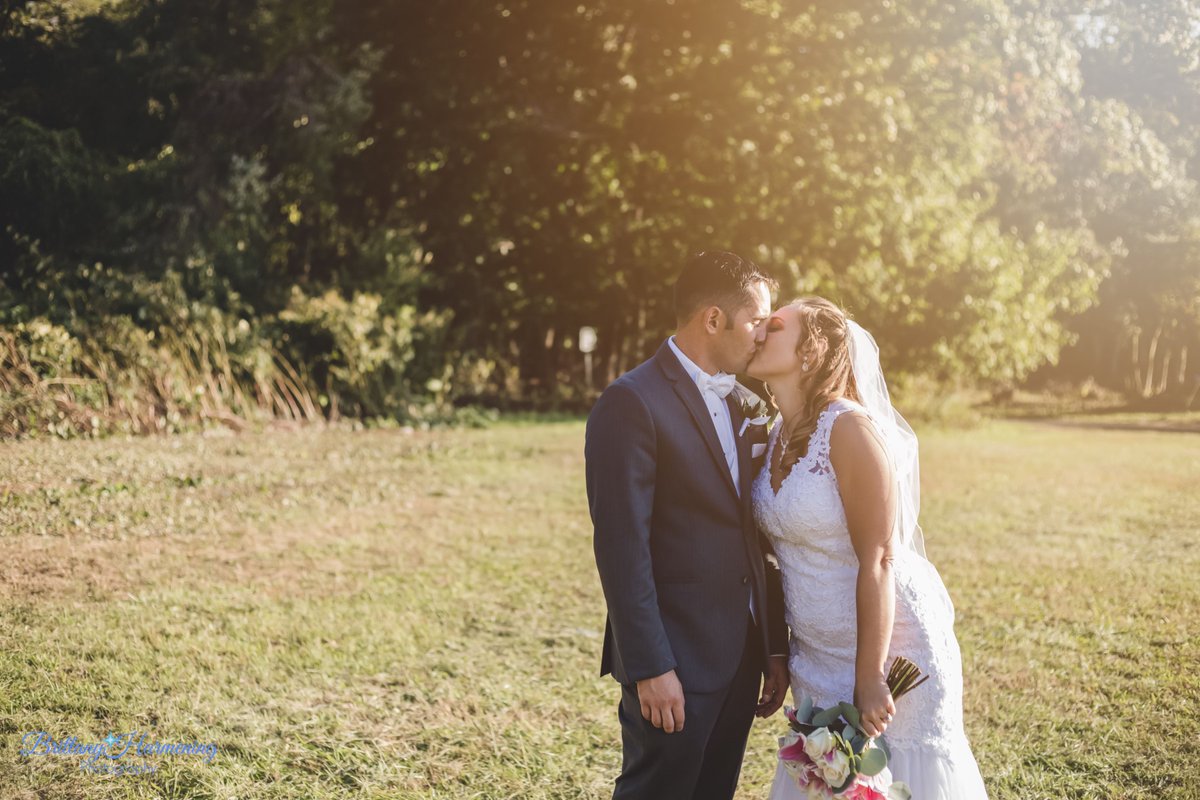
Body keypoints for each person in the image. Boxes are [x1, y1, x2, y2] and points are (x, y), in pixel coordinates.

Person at [747, 296, 988, 799]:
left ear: (810, 351)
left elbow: (878, 557)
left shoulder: (850, 429)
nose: (757, 334)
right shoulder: (775, 434)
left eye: (772, 326)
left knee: (898, 779)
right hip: (816, 655)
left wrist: (870, 676)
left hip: (887, 649)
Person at [585, 251, 790, 800]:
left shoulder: (749, 403)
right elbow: (621, 549)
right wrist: (651, 666)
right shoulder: (630, 403)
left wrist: (772, 648)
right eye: (756, 322)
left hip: (741, 657)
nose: (762, 337)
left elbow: (756, 535)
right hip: (674, 661)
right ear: (714, 320)